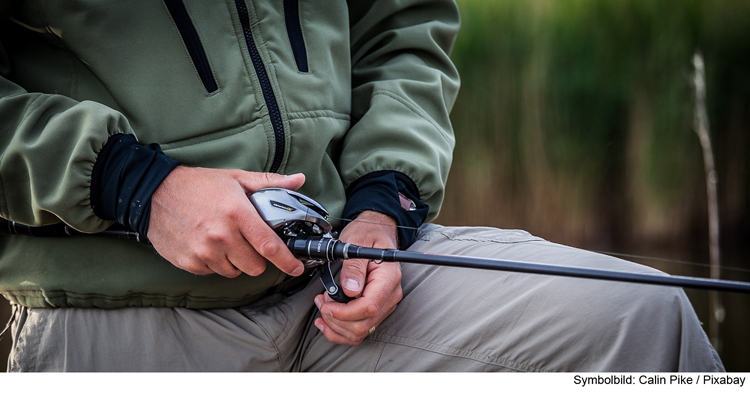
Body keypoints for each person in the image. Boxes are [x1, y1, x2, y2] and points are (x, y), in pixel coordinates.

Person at [0, 0, 723, 372]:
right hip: (108, 312)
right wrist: (136, 185)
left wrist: (382, 207)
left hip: (340, 289)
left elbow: (405, 27)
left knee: (646, 322)